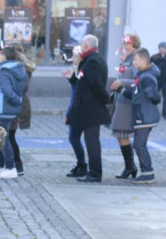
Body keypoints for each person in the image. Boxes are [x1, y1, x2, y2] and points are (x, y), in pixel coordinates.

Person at [110, 47, 160, 184]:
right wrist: (121, 89)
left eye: (136, 59)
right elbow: (135, 94)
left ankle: (148, 174)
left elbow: (154, 97)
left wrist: (146, 98)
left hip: (145, 116)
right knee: (139, 145)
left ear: (143, 60)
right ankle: (146, 172)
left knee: (139, 145)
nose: (133, 62)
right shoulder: (142, 75)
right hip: (142, 115)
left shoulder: (146, 77)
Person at [66, 34, 111, 182]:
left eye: (82, 44)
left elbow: (96, 84)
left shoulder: (92, 61)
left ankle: (95, 173)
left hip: (91, 109)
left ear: (86, 46)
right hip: (88, 108)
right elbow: (82, 80)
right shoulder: (91, 59)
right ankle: (92, 171)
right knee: (89, 140)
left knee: (92, 142)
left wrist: (107, 99)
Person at [0, 46, 26, 179]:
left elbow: (7, 90)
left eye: (1, 55)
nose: (0, 58)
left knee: (3, 138)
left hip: (3, 109)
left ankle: (10, 167)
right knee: (4, 137)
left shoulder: (5, 71)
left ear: (4, 57)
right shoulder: (16, 69)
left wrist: (16, 100)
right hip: (7, 108)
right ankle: (7, 166)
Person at [110, 33, 142, 179]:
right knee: (119, 134)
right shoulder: (125, 58)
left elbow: (137, 80)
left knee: (122, 133)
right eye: (124, 42)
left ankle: (130, 166)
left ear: (134, 43)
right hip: (121, 99)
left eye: (128, 42)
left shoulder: (135, 58)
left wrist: (122, 83)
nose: (125, 44)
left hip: (127, 101)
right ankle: (129, 166)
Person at [4, 41, 33, 176]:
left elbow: (23, 87)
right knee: (9, 135)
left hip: (15, 105)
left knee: (9, 135)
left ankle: (16, 164)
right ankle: (12, 163)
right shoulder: (20, 66)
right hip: (17, 104)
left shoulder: (19, 68)